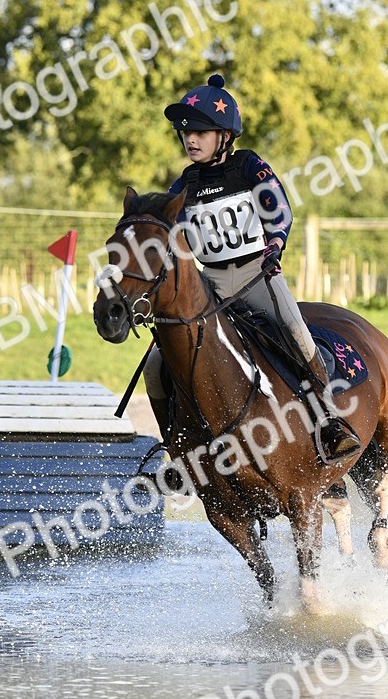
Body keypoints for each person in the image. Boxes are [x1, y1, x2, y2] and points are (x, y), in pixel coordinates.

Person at [144, 72, 361, 463]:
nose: (190, 139)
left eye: (201, 132)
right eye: (186, 133)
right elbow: (163, 227)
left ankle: (330, 422)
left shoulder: (248, 166)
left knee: (295, 331)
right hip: (210, 287)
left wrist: (275, 244)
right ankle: (175, 448)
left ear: (225, 136)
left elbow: (279, 210)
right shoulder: (185, 184)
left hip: (256, 275)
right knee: (157, 361)